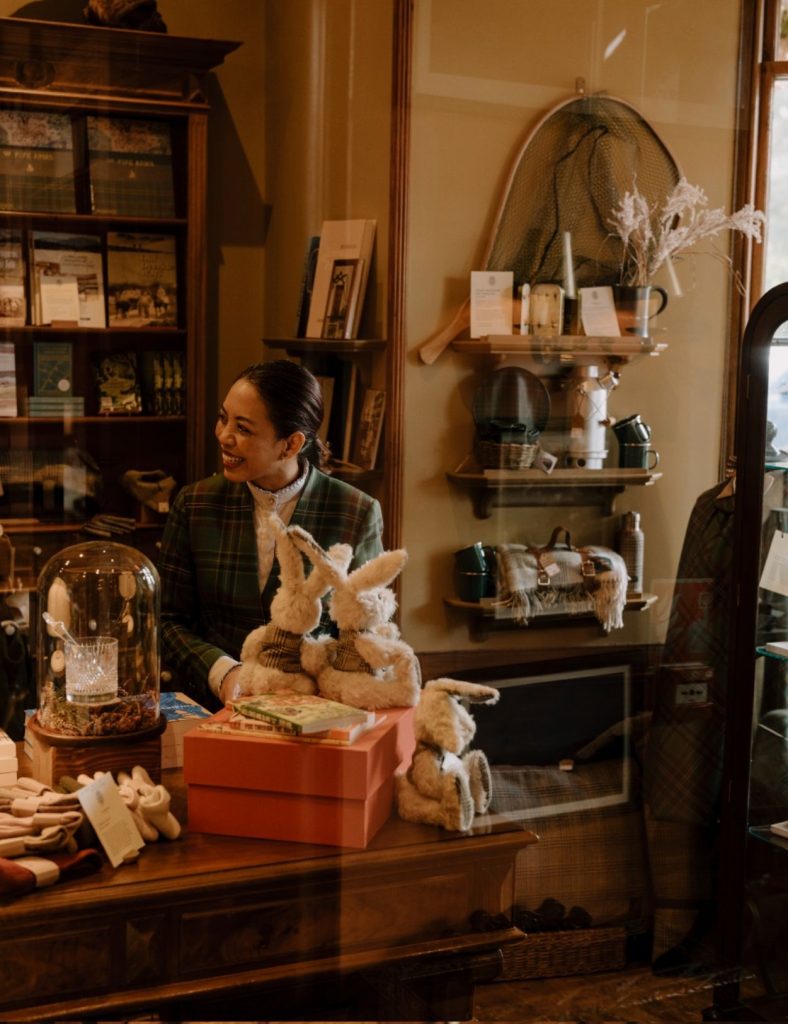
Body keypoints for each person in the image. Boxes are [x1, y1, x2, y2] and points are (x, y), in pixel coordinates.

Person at [158, 359, 384, 710]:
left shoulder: (356, 512)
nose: (223, 436)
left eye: (244, 429)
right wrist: (225, 673)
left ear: (290, 444)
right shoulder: (194, 504)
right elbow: (167, 621)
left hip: (318, 715)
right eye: (223, 418)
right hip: (213, 710)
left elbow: (365, 632)